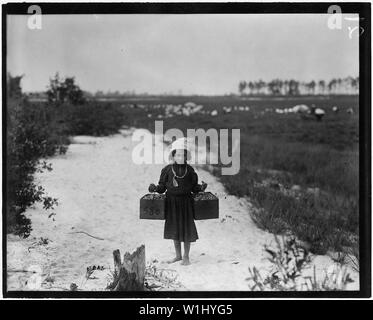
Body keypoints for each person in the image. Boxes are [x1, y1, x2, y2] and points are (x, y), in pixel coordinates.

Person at [148, 138, 207, 265]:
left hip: (186, 202)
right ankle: (178, 255)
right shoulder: (167, 170)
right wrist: (155, 188)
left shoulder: (190, 171)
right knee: (174, 228)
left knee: (186, 229)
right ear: (173, 156)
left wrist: (201, 188)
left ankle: (186, 256)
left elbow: (194, 187)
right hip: (171, 202)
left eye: (183, 154)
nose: (180, 157)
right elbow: (162, 188)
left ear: (186, 156)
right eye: (178, 154)